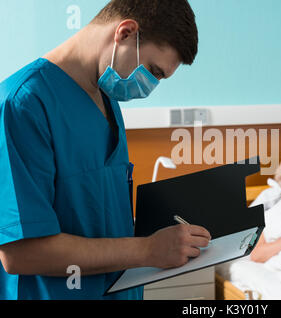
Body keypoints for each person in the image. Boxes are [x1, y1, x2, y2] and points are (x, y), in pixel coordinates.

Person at [0, 0, 211, 300]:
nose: (149, 86)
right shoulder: (24, 104)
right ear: (125, 33)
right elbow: (20, 253)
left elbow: (92, 211)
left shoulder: (106, 95)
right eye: (153, 71)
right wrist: (148, 249)